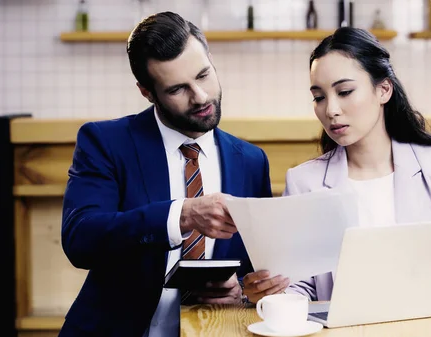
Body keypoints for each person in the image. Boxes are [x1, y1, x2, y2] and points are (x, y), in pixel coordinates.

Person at [59, 12, 273, 337]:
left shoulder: (252, 161)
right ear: (147, 92)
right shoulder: (105, 142)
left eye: (203, 75)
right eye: (177, 89)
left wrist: (241, 291)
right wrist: (180, 215)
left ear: (212, 61)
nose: (200, 96)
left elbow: (255, 266)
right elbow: (80, 239)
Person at [243, 27, 431, 307]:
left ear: (383, 90)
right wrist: (272, 294)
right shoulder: (304, 182)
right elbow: (300, 286)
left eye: (345, 91)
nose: (331, 110)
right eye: (319, 97)